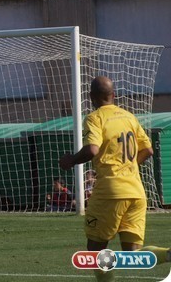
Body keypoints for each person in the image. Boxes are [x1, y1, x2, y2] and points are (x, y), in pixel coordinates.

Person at [59, 75, 170, 281]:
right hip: (136, 192)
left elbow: (92, 149)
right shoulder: (129, 116)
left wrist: (71, 160)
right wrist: (128, 167)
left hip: (110, 193)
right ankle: (168, 254)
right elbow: (148, 150)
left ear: (91, 96)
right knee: (133, 256)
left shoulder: (95, 118)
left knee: (95, 251)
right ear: (114, 95)